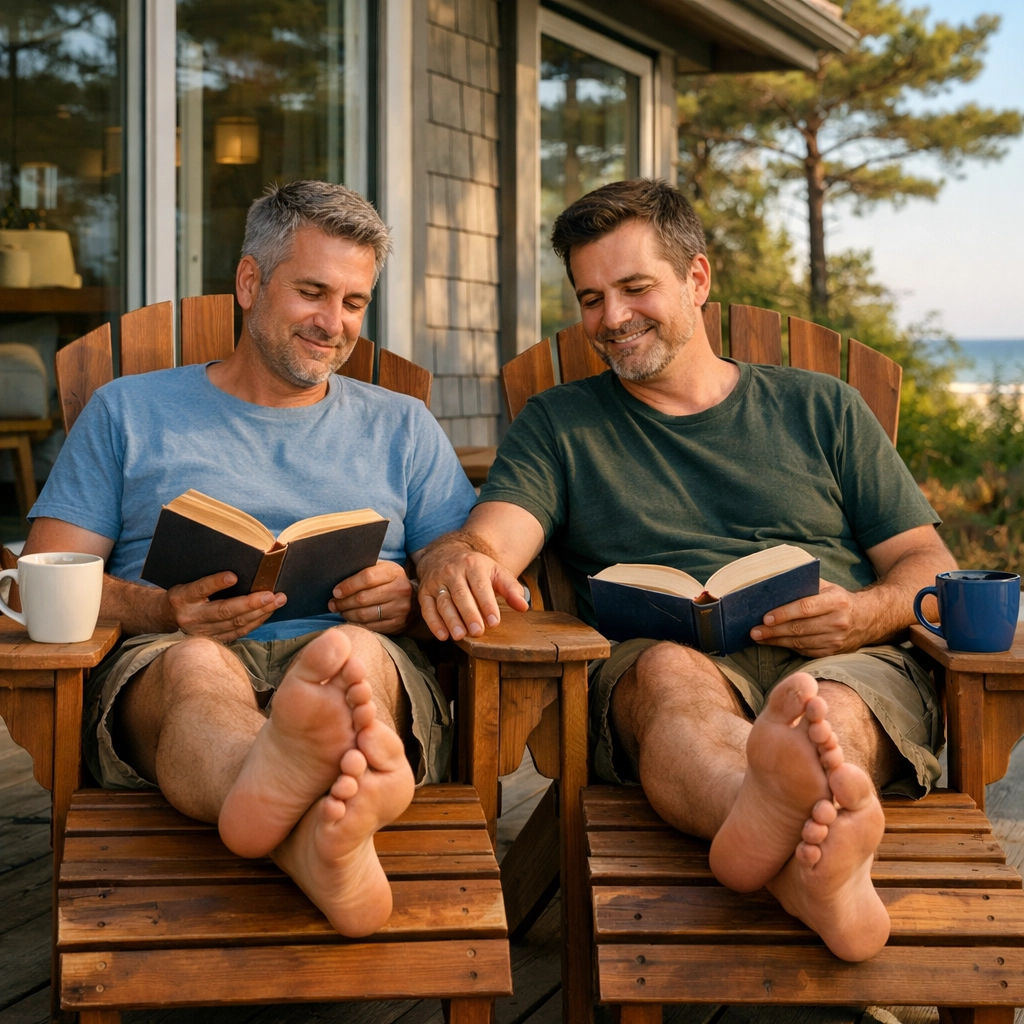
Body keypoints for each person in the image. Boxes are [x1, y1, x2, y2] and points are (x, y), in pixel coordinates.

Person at [416, 178, 957, 962]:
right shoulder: (561, 426)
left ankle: (787, 852)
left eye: (636, 288)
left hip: (844, 652)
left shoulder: (822, 407)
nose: (611, 318)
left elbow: (925, 560)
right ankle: (786, 836)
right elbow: (492, 542)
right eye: (591, 297)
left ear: (697, 280)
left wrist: (867, 614)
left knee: (828, 706)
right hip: (659, 662)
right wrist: (461, 559)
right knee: (671, 677)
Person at [24, 180, 477, 937]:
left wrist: (412, 588)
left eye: (355, 303)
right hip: (171, 659)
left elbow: (460, 553)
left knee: (351, 656)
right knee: (196, 668)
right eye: (312, 292)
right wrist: (158, 610)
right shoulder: (130, 411)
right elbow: (40, 578)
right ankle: (312, 821)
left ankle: (285, 816)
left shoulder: (403, 425)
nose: (334, 324)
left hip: (353, 652)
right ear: (248, 283)